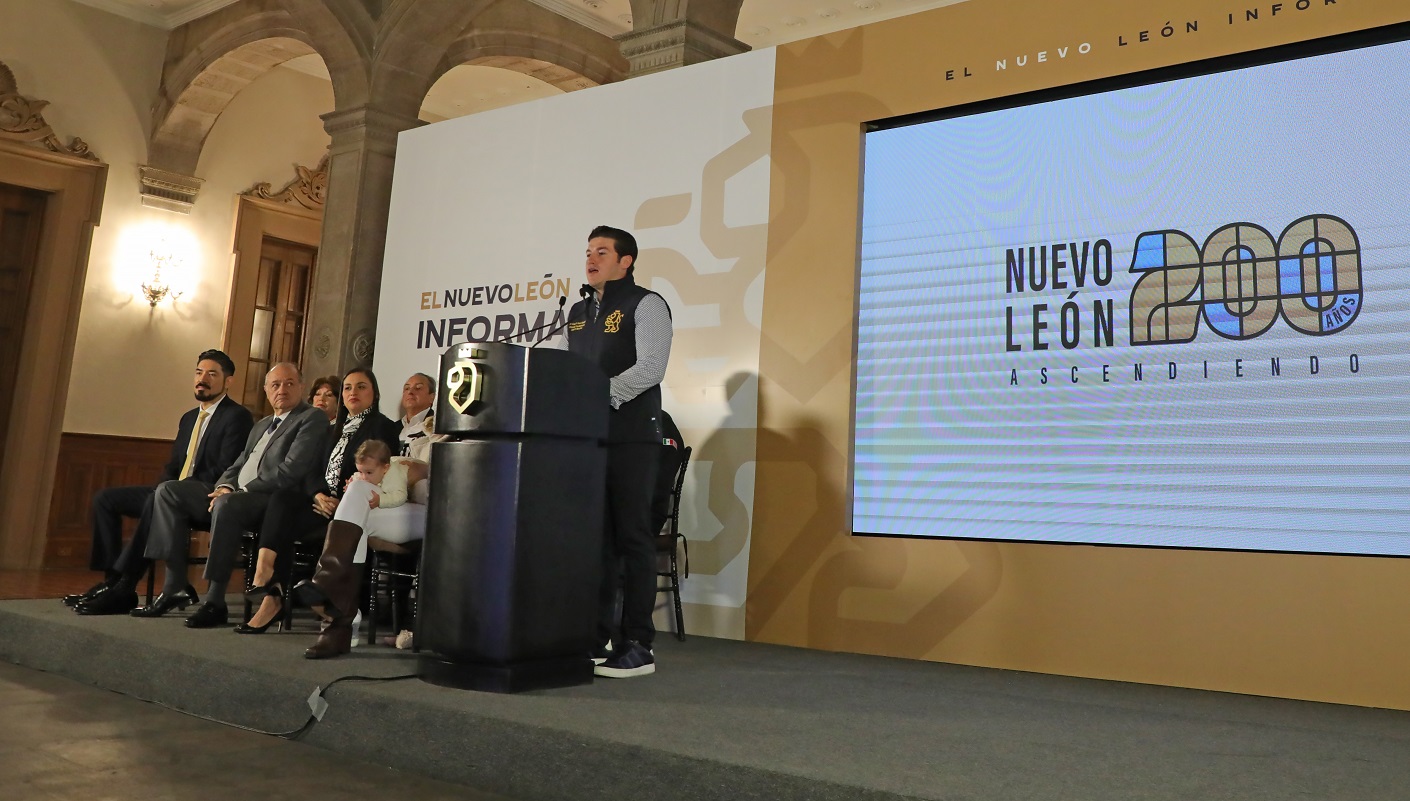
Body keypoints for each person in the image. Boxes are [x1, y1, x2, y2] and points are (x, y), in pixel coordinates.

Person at [554, 225, 673, 678]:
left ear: (626, 261)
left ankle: (638, 644)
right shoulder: (577, 312)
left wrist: (598, 395)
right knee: (597, 540)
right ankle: (596, 636)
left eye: (602, 252)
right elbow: (560, 369)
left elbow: (651, 367)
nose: (591, 258)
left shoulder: (647, 304)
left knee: (632, 537)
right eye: (588, 251)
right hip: (588, 440)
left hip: (632, 436)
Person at [131, 363, 326, 624]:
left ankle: (215, 600)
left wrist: (240, 491)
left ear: (301, 387)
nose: (282, 389)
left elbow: (291, 471)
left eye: (290, 383)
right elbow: (238, 464)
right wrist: (225, 486)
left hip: (271, 501)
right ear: (266, 390)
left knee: (226, 504)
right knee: (168, 491)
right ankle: (174, 585)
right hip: (236, 494)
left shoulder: (310, 418)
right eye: (276, 384)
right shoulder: (262, 424)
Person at [68, 350, 254, 615]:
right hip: (171, 491)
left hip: (206, 494)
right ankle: (112, 580)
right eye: (199, 372)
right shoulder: (188, 418)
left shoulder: (237, 416)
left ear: (228, 381)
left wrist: (170, 490)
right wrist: (163, 487)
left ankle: (125, 586)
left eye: (212, 374)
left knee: (161, 497)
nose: (202, 379)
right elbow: (174, 465)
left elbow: (226, 468)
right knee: (105, 499)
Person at [238, 366, 400, 645]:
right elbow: (311, 471)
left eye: (361, 387)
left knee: (284, 522)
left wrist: (344, 500)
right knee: (282, 500)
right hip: (323, 505)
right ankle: (266, 579)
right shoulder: (332, 428)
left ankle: (274, 597)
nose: (353, 392)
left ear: (374, 393)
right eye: (347, 388)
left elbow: (377, 472)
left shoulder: (382, 426)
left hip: (355, 510)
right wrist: (317, 495)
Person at [292, 439, 429, 657]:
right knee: (357, 496)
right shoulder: (397, 448)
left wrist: (413, 472)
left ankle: (335, 604)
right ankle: (338, 617)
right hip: (391, 508)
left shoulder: (446, 437)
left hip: (428, 512)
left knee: (357, 511)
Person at [397, 372, 436, 459]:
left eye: (418, 388)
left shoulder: (437, 428)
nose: (410, 392)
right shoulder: (391, 427)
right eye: (407, 388)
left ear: (432, 397)